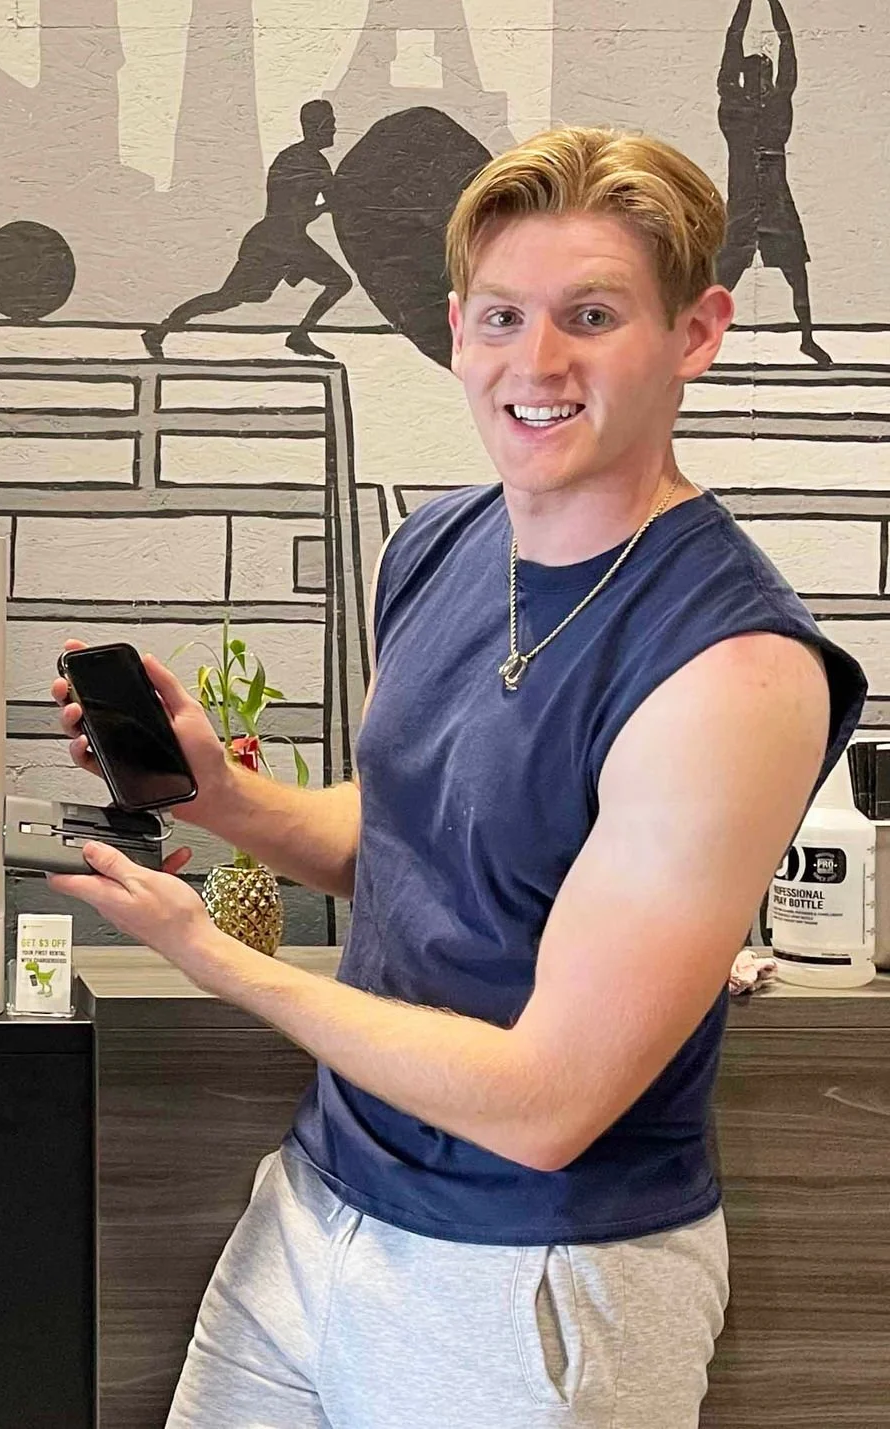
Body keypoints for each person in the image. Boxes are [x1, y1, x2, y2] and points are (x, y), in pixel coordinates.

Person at [52, 128, 866, 1427]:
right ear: (455, 329)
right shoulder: (437, 543)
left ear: (695, 332)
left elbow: (549, 1100)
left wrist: (218, 959)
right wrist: (221, 798)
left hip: (533, 1275)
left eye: (590, 316)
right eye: (503, 316)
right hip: (317, 1205)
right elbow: (414, 840)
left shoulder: (736, 672)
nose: (534, 364)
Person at [144, 100, 353, 361]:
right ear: (316, 126)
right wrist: (329, 206)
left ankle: (300, 335)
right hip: (278, 241)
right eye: (330, 124)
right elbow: (305, 209)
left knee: (232, 298)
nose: (334, 130)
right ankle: (160, 331)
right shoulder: (309, 161)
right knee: (227, 298)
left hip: (283, 240)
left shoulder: (298, 157)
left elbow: (325, 202)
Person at [717, 0, 829, 365]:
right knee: (722, 277)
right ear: (746, 77)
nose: (764, 78)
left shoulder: (779, 105)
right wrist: (747, 4)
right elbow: (733, 43)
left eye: (766, 71)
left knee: (796, 269)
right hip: (745, 203)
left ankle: (808, 338)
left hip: (776, 200)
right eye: (758, 71)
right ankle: (696, 337)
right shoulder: (733, 106)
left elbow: (789, 52)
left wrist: (773, 5)